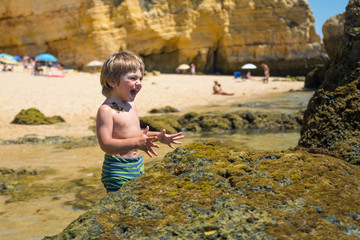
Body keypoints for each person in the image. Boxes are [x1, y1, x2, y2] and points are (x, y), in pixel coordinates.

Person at [96, 51, 184, 192]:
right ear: (112, 81)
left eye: (141, 79)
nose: (139, 83)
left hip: (137, 165)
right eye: (133, 78)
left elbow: (136, 135)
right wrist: (137, 143)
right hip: (117, 170)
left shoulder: (131, 106)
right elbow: (105, 145)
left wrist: (159, 137)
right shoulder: (106, 110)